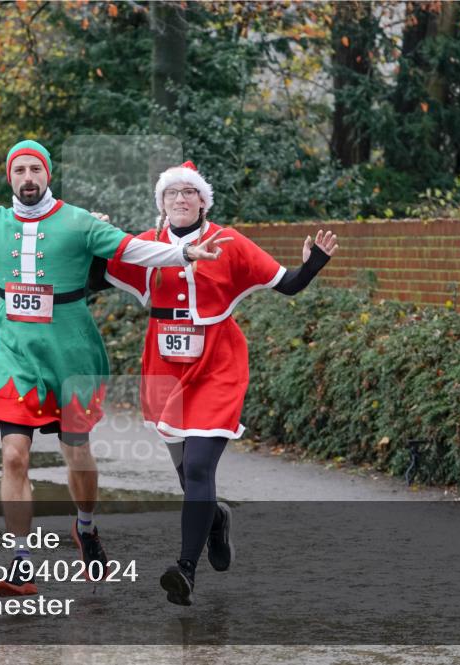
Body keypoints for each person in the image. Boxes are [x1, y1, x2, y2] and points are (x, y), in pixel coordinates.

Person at [0, 142, 229, 597]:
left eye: (36, 169)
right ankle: (20, 559)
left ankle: (86, 528)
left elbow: (134, 251)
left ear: (47, 175)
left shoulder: (79, 222)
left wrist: (184, 255)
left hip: (72, 355)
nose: (28, 177)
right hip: (14, 356)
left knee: (77, 455)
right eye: (20, 170)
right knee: (13, 455)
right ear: (10, 177)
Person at [102, 161, 338, 605]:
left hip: (217, 365)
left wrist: (313, 266)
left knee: (197, 469)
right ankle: (215, 521)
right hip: (164, 368)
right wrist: (89, 237)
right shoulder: (146, 244)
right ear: (162, 202)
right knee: (187, 479)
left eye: (190, 193)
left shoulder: (229, 242)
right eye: (172, 193)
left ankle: (185, 570)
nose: (181, 199)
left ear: (203, 201)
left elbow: (285, 283)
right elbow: (99, 274)